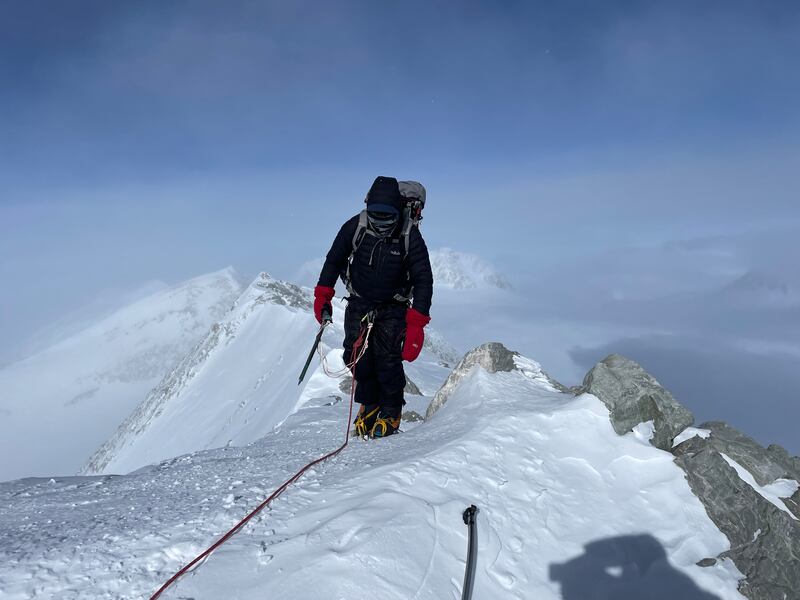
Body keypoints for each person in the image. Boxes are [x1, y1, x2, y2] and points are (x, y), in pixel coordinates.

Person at [314, 176, 433, 438]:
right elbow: (334, 260)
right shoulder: (355, 226)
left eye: (386, 217)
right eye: (375, 216)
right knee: (355, 357)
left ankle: (390, 410)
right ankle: (370, 404)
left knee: (387, 359)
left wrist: (416, 323)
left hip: (394, 307)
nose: (380, 223)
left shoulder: (408, 235)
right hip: (359, 302)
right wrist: (322, 296)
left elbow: (424, 278)